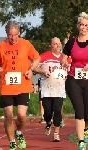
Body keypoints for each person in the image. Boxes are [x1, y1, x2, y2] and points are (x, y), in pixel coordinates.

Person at [0, 20, 40, 150]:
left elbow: (37, 58)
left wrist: (31, 69)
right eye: (10, 35)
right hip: (6, 87)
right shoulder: (1, 46)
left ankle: (19, 132)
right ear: (6, 33)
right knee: (9, 116)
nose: (13, 38)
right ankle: (11, 141)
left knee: (22, 116)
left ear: (19, 33)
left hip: (23, 85)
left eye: (15, 34)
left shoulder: (26, 44)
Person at [34, 37, 71, 142]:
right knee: (48, 113)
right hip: (47, 89)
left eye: (59, 44)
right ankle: (48, 123)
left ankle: (56, 133)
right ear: (50, 45)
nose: (58, 45)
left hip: (59, 89)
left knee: (57, 110)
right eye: (55, 44)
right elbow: (34, 67)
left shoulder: (65, 58)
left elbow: (72, 69)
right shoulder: (44, 56)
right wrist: (43, 72)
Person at [61, 12, 88, 150]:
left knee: (87, 112)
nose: (83, 27)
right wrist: (65, 63)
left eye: (86, 25)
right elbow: (63, 58)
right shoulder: (72, 42)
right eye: (81, 24)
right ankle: (81, 142)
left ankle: (86, 130)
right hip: (74, 80)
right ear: (78, 26)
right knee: (79, 110)